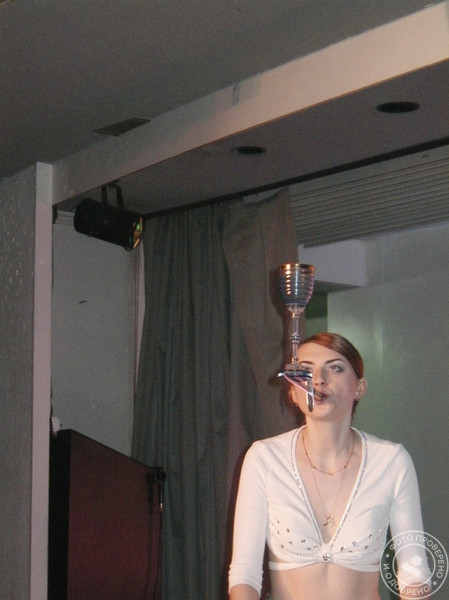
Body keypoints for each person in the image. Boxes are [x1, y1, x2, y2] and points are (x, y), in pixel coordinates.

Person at [228, 333, 431, 600]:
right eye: (305, 371)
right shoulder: (265, 458)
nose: (319, 380)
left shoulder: (391, 461)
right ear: (292, 392)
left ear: (359, 387)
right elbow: (245, 574)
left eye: (335, 368)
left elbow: (414, 573)